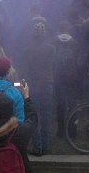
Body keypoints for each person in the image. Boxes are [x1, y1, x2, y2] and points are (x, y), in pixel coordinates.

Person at [20, 18, 55, 156]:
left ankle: (37, 146)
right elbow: (54, 66)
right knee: (46, 116)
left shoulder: (27, 50)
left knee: (34, 116)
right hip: (47, 84)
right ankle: (46, 146)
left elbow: (24, 70)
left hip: (33, 85)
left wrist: (21, 86)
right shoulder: (52, 49)